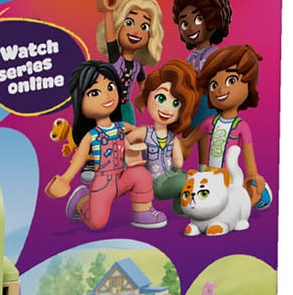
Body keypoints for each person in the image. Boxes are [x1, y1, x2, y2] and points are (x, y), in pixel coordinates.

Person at [46, 62, 164, 230]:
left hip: (122, 177)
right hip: (103, 184)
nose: (107, 96)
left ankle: (142, 212)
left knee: (142, 175)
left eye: (110, 87)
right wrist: (65, 179)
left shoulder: (121, 126)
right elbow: (78, 160)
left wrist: (154, 135)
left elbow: (141, 132)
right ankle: (82, 202)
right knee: (97, 223)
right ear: (80, 101)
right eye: (94, 93)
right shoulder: (91, 136)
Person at [190, 44, 271, 208]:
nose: (220, 89)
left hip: (231, 178)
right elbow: (189, 141)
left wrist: (253, 175)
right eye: (214, 84)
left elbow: (248, 156)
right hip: (209, 176)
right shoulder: (209, 123)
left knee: (255, 197)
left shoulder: (241, 126)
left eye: (231, 80)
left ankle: (251, 195)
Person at [131, 60, 199, 212]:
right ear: (148, 97)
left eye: (176, 104)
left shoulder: (172, 138)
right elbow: (126, 140)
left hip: (171, 176)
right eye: (161, 98)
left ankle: (180, 208)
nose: (167, 109)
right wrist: (134, 152)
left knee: (189, 178)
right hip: (154, 183)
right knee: (187, 181)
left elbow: (179, 163)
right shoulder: (145, 132)